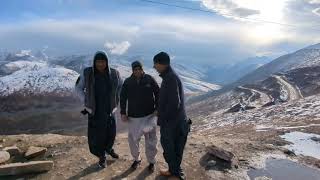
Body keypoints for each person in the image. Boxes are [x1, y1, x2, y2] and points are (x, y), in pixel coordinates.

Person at [75, 51, 122, 168]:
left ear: (107, 62)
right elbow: (78, 88)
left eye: (103, 62)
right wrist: (86, 101)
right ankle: (102, 156)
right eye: (98, 62)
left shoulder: (114, 74)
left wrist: (117, 99)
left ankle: (108, 149)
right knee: (97, 136)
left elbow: (121, 86)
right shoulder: (87, 73)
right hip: (95, 111)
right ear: (94, 62)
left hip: (109, 109)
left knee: (111, 133)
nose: (100, 64)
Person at [153, 52, 190, 180]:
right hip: (176, 121)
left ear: (161, 64)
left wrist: (162, 114)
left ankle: (176, 175)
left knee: (170, 148)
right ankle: (173, 171)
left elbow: (175, 103)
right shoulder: (170, 76)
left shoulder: (170, 78)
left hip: (172, 122)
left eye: (155, 64)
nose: (154, 67)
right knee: (174, 147)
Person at [120, 61, 159, 172]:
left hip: (149, 116)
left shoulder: (149, 79)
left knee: (151, 140)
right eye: (135, 69)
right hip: (133, 117)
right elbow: (122, 97)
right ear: (132, 70)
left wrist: (157, 109)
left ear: (142, 69)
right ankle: (136, 159)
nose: (137, 71)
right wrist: (123, 112)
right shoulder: (128, 82)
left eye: (139, 69)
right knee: (133, 140)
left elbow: (158, 93)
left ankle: (151, 162)